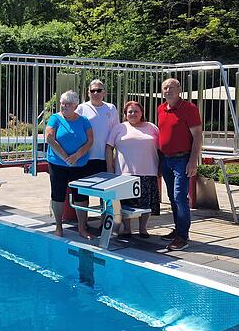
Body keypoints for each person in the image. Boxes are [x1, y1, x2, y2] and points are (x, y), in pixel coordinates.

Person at [157, 78, 202, 251]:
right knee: (172, 197)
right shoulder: (161, 108)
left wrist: (193, 161)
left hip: (182, 159)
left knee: (179, 197)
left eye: (172, 87)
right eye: (165, 88)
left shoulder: (189, 109)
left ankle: (183, 237)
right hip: (166, 159)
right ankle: (178, 229)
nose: (168, 90)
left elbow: (197, 136)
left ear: (179, 89)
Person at [105, 101, 160, 238]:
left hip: (148, 171)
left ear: (142, 113)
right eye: (130, 112)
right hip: (124, 173)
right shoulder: (119, 128)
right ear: (125, 114)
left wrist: (161, 167)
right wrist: (110, 167)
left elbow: (161, 148)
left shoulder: (152, 127)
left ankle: (143, 229)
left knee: (146, 204)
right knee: (124, 204)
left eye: (136, 111)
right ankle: (127, 228)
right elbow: (108, 147)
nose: (133, 114)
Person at [45, 90, 94, 238]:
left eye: (67, 104)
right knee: (58, 195)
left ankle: (82, 228)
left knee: (81, 196)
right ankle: (58, 227)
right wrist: (66, 157)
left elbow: (90, 141)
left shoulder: (84, 120)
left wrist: (77, 155)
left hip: (79, 165)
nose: (64, 106)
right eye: (62, 104)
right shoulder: (55, 118)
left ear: (75, 105)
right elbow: (49, 137)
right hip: (58, 164)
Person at [75, 79, 120, 178]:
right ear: (88, 93)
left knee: (104, 191)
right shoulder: (81, 108)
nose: (95, 93)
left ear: (104, 92)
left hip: (105, 158)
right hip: (85, 158)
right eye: (92, 91)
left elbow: (116, 133)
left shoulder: (111, 108)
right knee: (83, 191)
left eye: (99, 90)